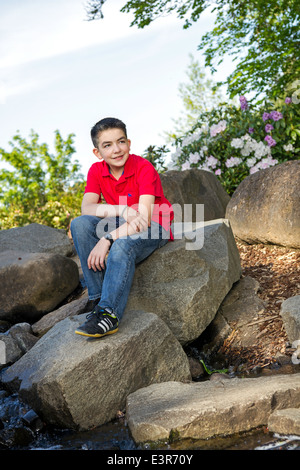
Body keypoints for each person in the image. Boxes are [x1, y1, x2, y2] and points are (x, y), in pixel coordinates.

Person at [71, 117, 174, 338]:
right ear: (98, 153)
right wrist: (122, 210)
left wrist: (107, 239)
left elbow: (144, 220)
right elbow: (86, 208)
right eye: (107, 145)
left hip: (155, 224)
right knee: (80, 225)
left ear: (129, 143)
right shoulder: (96, 171)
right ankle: (99, 299)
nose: (116, 150)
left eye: (121, 142)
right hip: (124, 221)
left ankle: (109, 314)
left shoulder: (143, 167)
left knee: (121, 245)